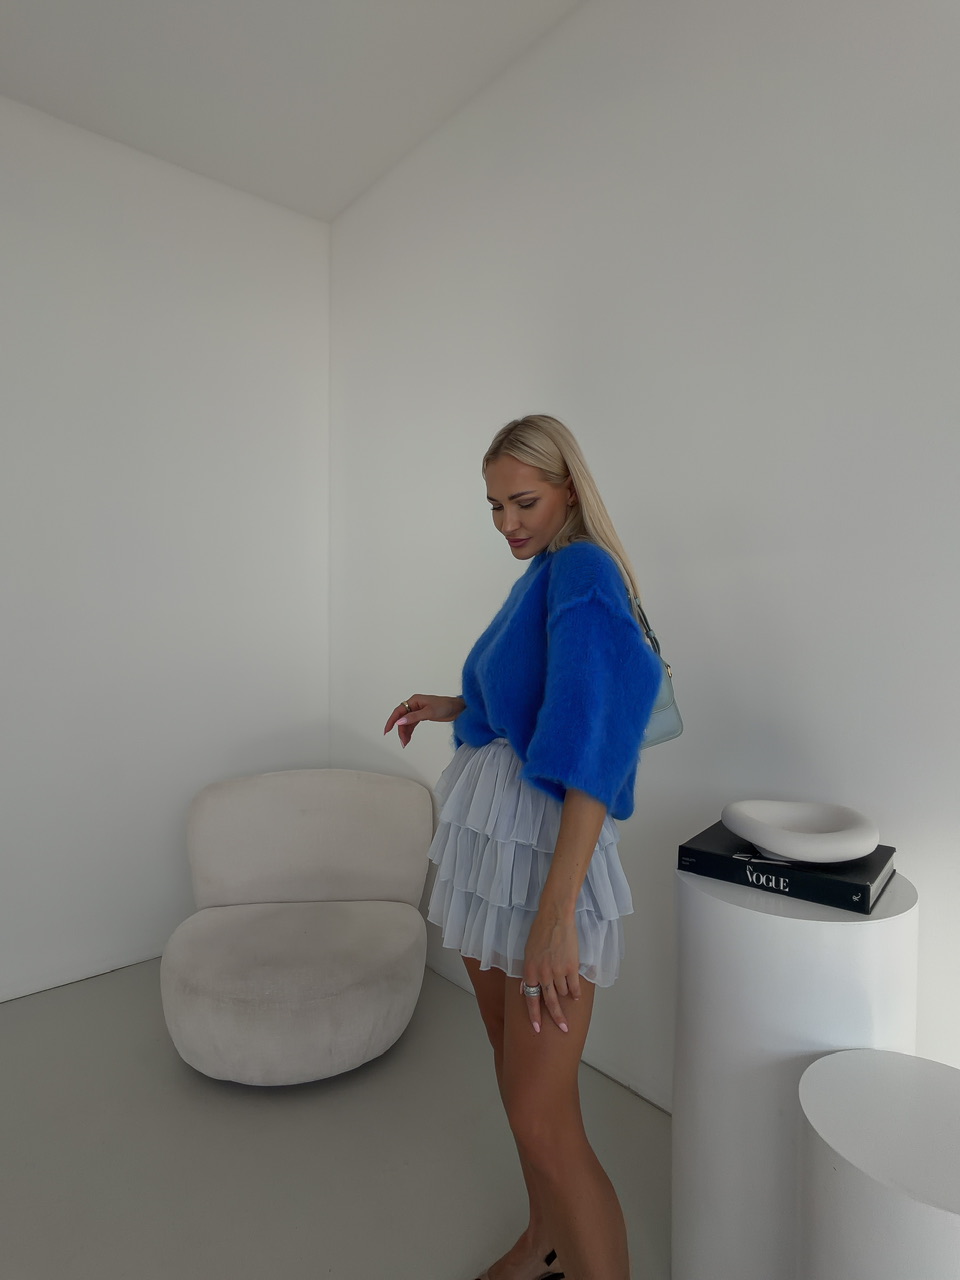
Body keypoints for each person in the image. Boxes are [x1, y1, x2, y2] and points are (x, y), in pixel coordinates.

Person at [383, 415, 662, 1280]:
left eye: (524, 502)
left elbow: (592, 751)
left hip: (541, 858)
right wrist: (455, 705)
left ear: (568, 489)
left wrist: (556, 917)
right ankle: (546, 1241)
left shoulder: (583, 571)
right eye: (495, 506)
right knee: (516, 1081)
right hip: (495, 849)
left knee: (544, 1116)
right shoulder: (544, 570)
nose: (507, 522)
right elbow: (533, 699)